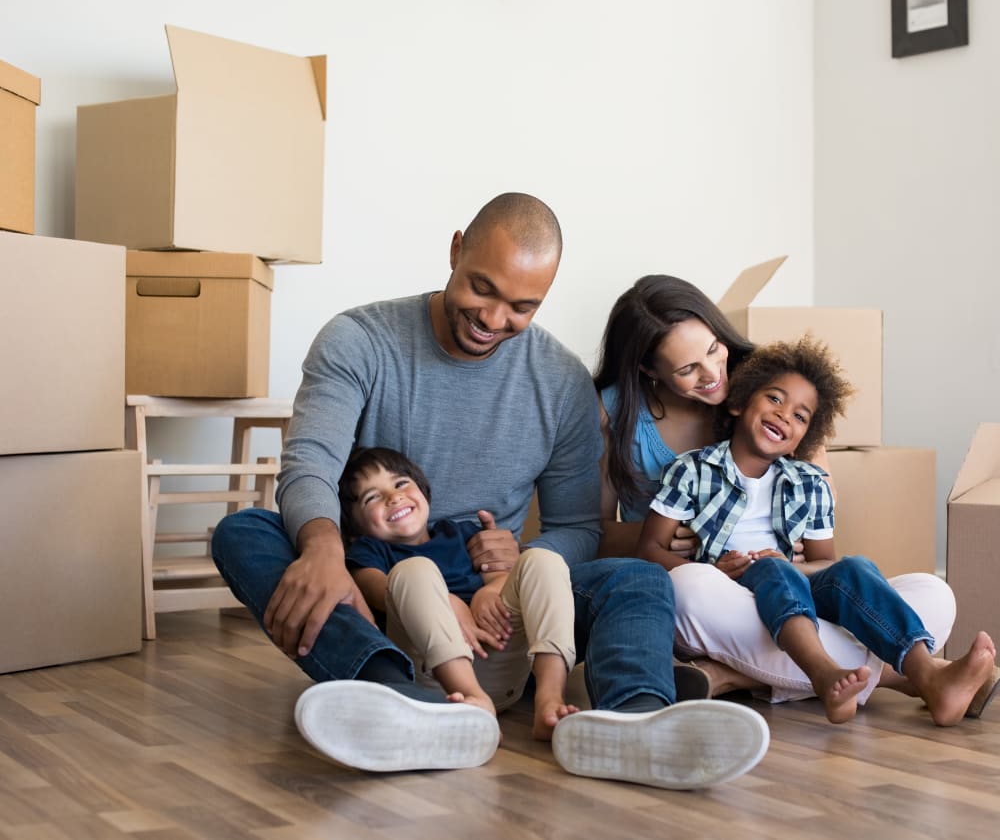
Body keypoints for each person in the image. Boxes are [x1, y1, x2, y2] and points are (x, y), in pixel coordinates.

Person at [212, 192, 770, 788]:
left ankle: (634, 719)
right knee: (245, 533)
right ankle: (392, 693)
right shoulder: (359, 340)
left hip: (503, 612)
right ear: (456, 250)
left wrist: (517, 566)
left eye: (521, 306)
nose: (493, 319)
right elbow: (311, 463)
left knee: (637, 577)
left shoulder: (559, 382)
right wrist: (325, 550)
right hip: (377, 587)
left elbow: (579, 526)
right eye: (482, 289)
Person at [593, 274, 993, 715]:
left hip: (793, 587)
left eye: (713, 350)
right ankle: (908, 677)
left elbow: (824, 551)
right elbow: (596, 533)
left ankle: (729, 676)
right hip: (711, 592)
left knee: (932, 593)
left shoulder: (774, 389)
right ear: (650, 370)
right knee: (691, 585)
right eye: (688, 369)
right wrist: (678, 544)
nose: (713, 375)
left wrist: (806, 559)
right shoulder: (652, 441)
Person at [339, 445, 579, 740]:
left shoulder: (460, 533)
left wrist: (488, 591)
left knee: (543, 560)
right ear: (354, 527)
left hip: (501, 657)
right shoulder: (369, 551)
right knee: (414, 570)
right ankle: (472, 698)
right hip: (435, 675)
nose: (394, 496)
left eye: (400, 483)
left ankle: (550, 699)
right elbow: (377, 591)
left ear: (423, 491)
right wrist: (447, 602)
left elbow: (504, 576)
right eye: (372, 497)